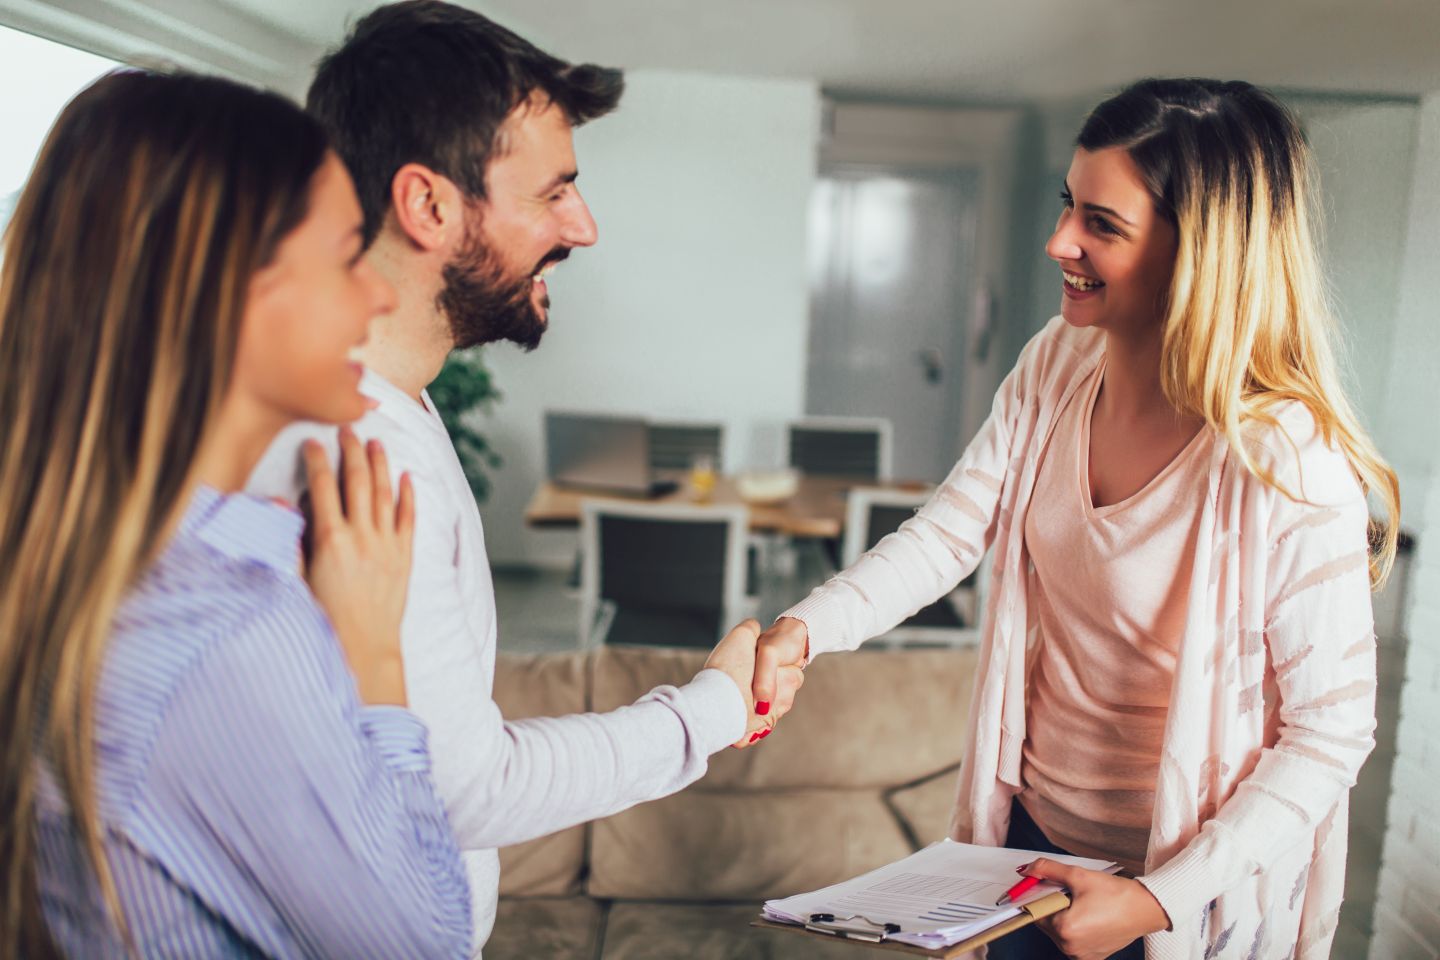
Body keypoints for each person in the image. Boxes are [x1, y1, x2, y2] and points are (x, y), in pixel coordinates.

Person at [748, 78, 1397, 960]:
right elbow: (947, 533)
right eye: (1068, 205)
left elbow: (1330, 735)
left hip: (1179, 884)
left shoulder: (1289, 460)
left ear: (1199, 252)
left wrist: (1153, 902)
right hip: (1028, 846)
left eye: (1103, 224)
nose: (1059, 242)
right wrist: (800, 631)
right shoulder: (1056, 363)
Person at [245, 3, 799, 952]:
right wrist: (709, 709)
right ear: (428, 206)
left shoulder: (395, 405)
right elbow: (470, 788)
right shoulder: (358, 456)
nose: (584, 227)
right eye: (553, 193)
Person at [0, 69, 477, 956]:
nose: (378, 295)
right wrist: (372, 652)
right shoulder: (225, 634)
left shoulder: (81, 561)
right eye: (346, 256)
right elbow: (429, 946)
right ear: (226, 289)